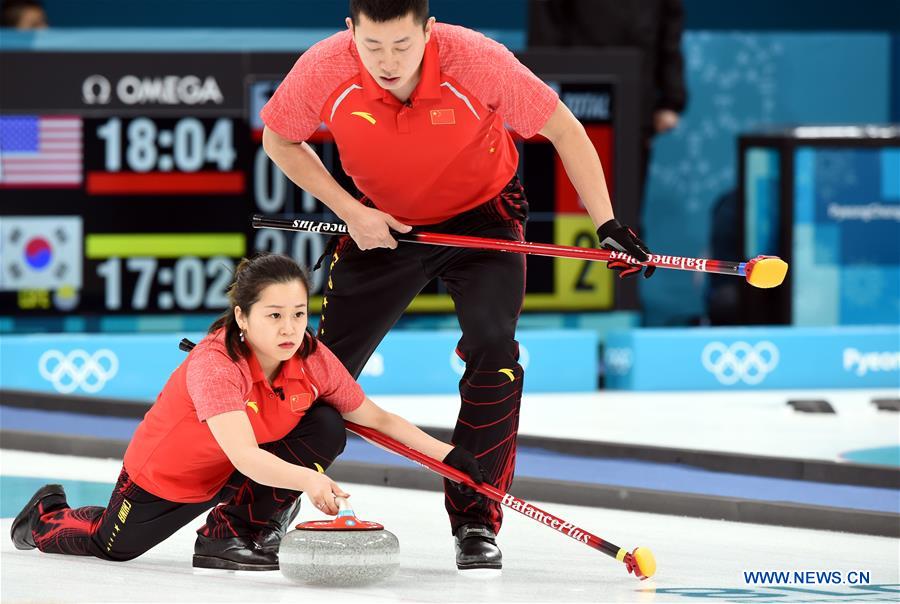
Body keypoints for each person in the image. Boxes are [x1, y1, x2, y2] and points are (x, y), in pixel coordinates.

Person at [260, 0, 653, 571]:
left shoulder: (478, 61)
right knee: (321, 371)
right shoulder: (324, 66)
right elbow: (280, 140)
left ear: (430, 30)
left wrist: (608, 227)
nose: (387, 62)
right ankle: (263, 510)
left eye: (402, 45)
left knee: (495, 353)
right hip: (383, 223)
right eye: (372, 47)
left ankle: (475, 520)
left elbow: (566, 131)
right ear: (351, 33)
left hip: (484, 215)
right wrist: (350, 211)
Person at [10, 253, 484, 570]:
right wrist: (312, 481)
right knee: (112, 548)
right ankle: (44, 515)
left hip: (235, 472)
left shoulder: (312, 357)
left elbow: (374, 418)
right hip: (166, 479)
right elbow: (244, 456)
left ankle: (234, 532)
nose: (290, 327)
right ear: (242, 316)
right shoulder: (216, 365)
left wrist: (450, 456)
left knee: (326, 423)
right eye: (273, 315)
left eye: (299, 313)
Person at [529, 0, 688, 215]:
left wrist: (671, 98)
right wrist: (543, 87)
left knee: (626, 210)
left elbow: (668, 30)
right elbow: (545, 25)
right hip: (574, 94)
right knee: (561, 206)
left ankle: (626, 245)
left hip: (635, 99)